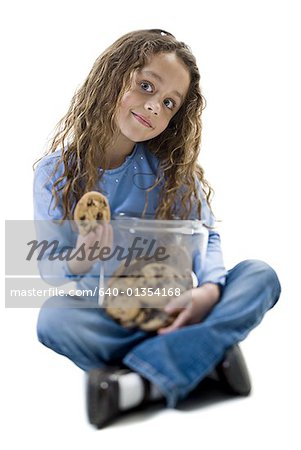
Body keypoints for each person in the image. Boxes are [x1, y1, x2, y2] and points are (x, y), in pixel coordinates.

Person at [33, 29, 281, 429]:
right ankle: (204, 359)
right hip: (110, 315)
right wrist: (82, 255)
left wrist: (210, 289)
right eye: (145, 86)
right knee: (52, 319)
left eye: (168, 103)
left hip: (177, 307)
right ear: (112, 78)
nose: (153, 107)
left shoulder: (171, 172)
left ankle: (138, 382)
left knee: (260, 275)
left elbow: (208, 236)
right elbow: (49, 267)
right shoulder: (55, 174)